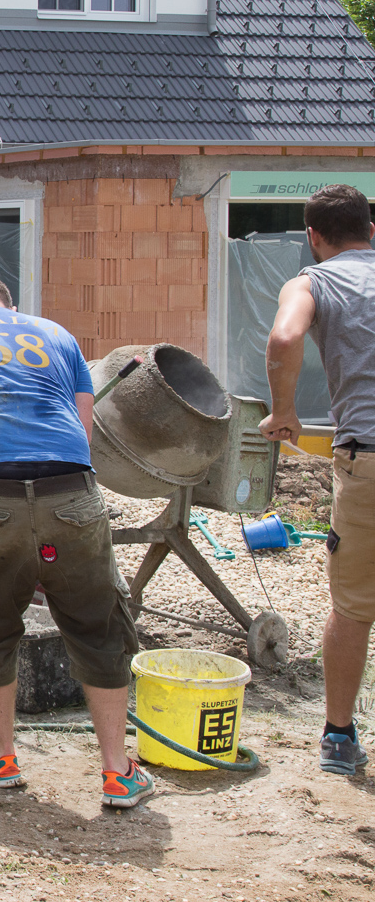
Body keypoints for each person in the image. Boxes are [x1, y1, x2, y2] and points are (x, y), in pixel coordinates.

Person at [0, 276, 150, 808]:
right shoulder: (57, 335)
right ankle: (117, 772)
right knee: (98, 624)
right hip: (71, 491)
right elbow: (83, 432)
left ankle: (2, 755)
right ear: (12, 309)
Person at [259, 183, 375, 776]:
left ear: (314, 237)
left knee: (354, 606)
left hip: (369, 459)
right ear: (371, 230)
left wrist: (283, 413)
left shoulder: (313, 281)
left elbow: (283, 337)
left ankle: (337, 737)